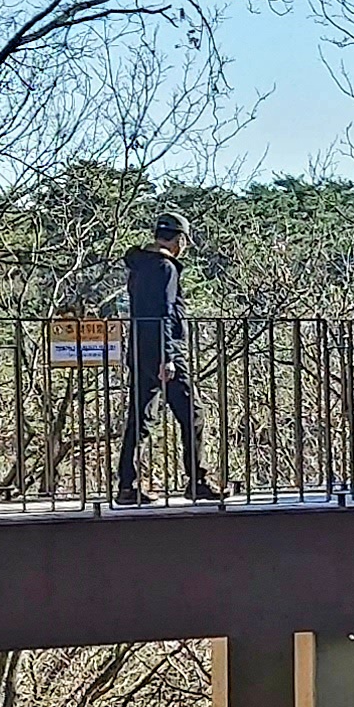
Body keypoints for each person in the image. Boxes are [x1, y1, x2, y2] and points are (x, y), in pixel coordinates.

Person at [116, 211, 222, 505]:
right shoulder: (166, 268)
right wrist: (168, 357)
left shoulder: (139, 266)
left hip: (140, 350)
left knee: (140, 418)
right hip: (164, 353)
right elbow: (164, 312)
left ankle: (127, 485)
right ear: (179, 240)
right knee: (193, 413)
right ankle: (197, 481)